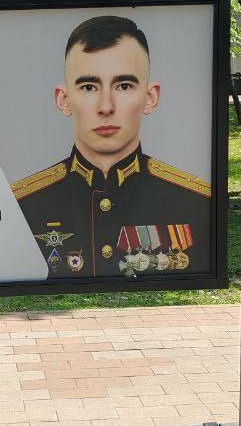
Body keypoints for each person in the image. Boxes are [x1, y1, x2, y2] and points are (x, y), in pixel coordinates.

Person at [12, 15, 211, 278]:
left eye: (124, 85)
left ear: (150, 98)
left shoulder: (196, 201)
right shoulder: (20, 207)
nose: (106, 106)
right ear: (64, 100)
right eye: (88, 87)